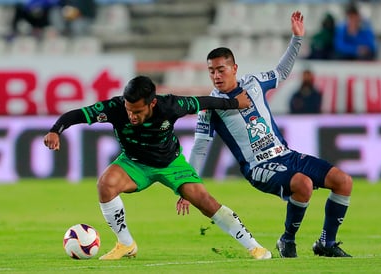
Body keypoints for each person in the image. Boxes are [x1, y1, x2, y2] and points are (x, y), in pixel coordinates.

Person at [43, 75, 272, 260]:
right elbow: (76, 115)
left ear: (152, 103)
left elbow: (204, 102)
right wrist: (55, 130)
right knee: (105, 184)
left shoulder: (170, 106)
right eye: (129, 109)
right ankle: (126, 244)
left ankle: (255, 248)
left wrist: (235, 103)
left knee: (206, 202)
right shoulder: (115, 107)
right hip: (134, 163)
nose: (131, 115)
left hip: (171, 163)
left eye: (138, 111)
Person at [183, 11, 353, 258]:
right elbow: (200, 147)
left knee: (343, 181)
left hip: (286, 155)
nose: (216, 76)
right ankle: (287, 240)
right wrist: (188, 187)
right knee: (302, 184)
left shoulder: (254, 83)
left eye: (221, 70)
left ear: (234, 68)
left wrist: (296, 39)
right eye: (211, 71)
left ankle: (327, 242)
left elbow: (281, 73)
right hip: (258, 166)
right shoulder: (211, 107)